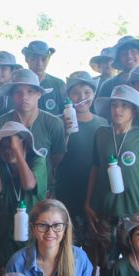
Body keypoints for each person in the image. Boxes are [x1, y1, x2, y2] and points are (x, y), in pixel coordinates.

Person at [85, 85, 139, 276]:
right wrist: (88, 202)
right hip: (105, 211)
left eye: (124, 106)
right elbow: (95, 168)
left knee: (133, 264)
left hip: (133, 214)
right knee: (106, 265)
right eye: (114, 105)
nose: (118, 110)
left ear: (134, 111)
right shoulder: (102, 134)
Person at [0, 123, 48, 276]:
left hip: (32, 233)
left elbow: (28, 184)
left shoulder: (38, 160)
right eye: (4, 146)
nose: (8, 150)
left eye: (12, 145)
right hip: (4, 232)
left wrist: (18, 151)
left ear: (24, 144)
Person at [0, 69, 66, 193]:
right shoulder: (0, 123)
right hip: (8, 191)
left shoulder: (53, 123)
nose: (24, 97)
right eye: (18, 92)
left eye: (30, 92)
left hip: (42, 190)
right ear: (11, 95)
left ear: (39, 94)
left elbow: (56, 158)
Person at [56, 72, 108, 251]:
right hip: (67, 193)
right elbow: (54, 161)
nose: (82, 97)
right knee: (67, 247)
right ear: (68, 97)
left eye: (87, 92)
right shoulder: (58, 122)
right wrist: (65, 132)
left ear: (94, 94)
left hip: (94, 195)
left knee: (92, 249)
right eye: (75, 93)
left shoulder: (103, 124)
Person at [21, 41, 64, 115]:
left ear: (49, 59)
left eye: (43, 59)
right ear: (26, 59)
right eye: (34, 59)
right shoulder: (19, 85)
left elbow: (67, 111)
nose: (39, 64)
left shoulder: (59, 84)